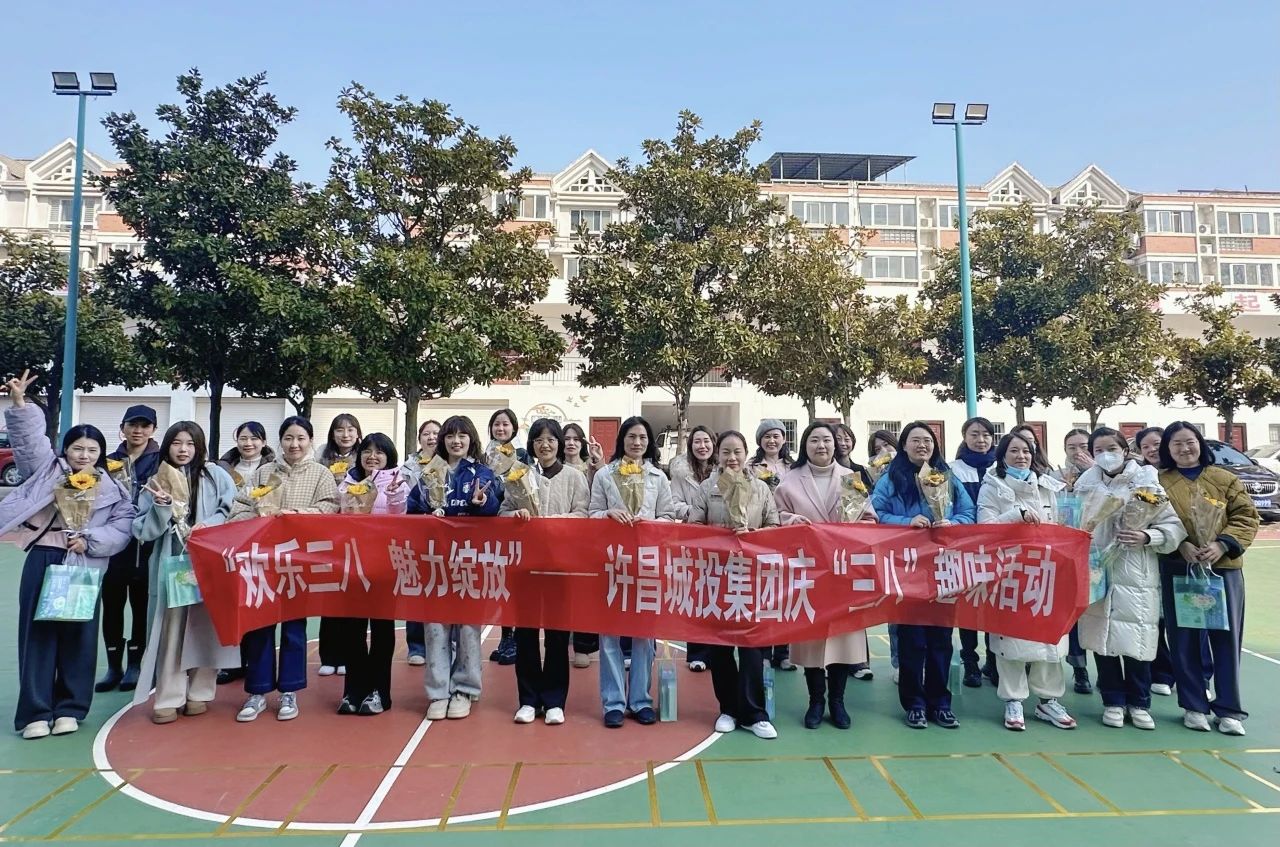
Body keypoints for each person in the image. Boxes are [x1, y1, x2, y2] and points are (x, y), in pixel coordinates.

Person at [1, 371, 135, 739]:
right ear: (66, 449)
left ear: (100, 454)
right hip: (44, 557)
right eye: (77, 448)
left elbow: (122, 527)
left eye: (92, 450)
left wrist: (90, 541)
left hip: (83, 564)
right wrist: (19, 404)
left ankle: (71, 708)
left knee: (79, 635)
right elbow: (29, 444)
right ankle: (35, 712)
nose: (84, 456)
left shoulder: (112, 486)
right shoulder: (47, 470)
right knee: (38, 634)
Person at [230, 416, 339, 722]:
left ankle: (289, 691)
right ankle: (257, 691)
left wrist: (292, 515)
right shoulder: (264, 472)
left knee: (294, 629)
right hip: (263, 562)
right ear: (280, 441)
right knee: (259, 626)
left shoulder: (321, 474)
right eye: (289, 438)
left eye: (301, 438)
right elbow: (239, 507)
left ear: (310, 440)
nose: (294, 444)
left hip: (299, 562)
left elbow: (330, 508)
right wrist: (258, 518)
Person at [1075, 427, 1185, 730]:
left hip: (1136, 572)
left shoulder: (1147, 484)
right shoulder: (1084, 487)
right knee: (1101, 637)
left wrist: (1147, 536)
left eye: (1112, 448)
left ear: (1125, 450)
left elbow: (1174, 527)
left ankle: (1139, 702)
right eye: (1099, 450)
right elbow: (1070, 522)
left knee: (1137, 639)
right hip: (1096, 571)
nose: (1106, 455)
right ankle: (1112, 700)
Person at [131, 422, 239, 724]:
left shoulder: (216, 475)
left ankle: (200, 692)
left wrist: (210, 525)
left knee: (207, 627)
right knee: (172, 631)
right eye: (177, 443)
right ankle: (168, 696)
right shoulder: (157, 479)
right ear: (167, 445)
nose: (183, 449)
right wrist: (161, 508)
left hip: (210, 561)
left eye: (190, 443)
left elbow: (233, 509)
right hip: (173, 563)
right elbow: (142, 529)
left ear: (200, 447)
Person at [870, 421, 976, 729]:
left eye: (927, 440)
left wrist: (952, 523)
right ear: (903, 446)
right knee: (912, 640)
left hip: (944, 568)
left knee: (942, 640)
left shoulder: (947, 476)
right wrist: (906, 521)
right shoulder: (891, 478)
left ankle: (941, 703)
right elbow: (874, 514)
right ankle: (914, 703)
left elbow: (969, 513)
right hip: (908, 568)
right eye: (915, 440)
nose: (922, 445)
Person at [775, 422, 877, 730]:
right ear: (804, 445)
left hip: (843, 570)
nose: (821, 445)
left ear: (836, 445)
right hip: (808, 570)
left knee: (843, 639)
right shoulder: (790, 480)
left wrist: (851, 528)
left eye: (827, 440)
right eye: (815, 440)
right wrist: (791, 520)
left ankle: (838, 701)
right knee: (813, 641)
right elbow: (774, 517)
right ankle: (816, 701)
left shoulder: (851, 479)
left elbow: (871, 520)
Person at [1157, 422, 1256, 736]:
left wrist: (1222, 544)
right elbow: (1155, 519)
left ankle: (1229, 709)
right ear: (1167, 449)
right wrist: (1180, 545)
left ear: (1200, 443)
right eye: (1176, 444)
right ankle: (1194, 706)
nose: (1185, 449)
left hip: (1223, 570)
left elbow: (1246, 516)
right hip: (1181, 569)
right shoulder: (1159, 481)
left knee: (1226, 640)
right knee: (1184, 640)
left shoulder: (1224, 478)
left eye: (1190, 441)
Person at [976, 432, 1076, 731]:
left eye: (1027, 451)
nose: (1021, 456)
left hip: (1046, 570)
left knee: (1049, 637)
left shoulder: (1048, 486)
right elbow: (984, 528)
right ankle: (1013, 700)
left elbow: (1061, 522)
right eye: (1014, 451)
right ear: (1002, 456)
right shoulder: (992, 486)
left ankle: (1048, 700)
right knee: (1010, 640)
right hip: (1008, 571)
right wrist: (1014, 515)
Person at [408, 415, 502, 720]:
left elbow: (494, 510)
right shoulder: (429, 473)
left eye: (462, 435)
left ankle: (465, 688)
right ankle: (438, 691)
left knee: (467, 628)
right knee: (435, 627)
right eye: (450, 436)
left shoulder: (481, 472)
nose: (456, 441)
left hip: (470, 562)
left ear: (471, 439)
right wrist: (427, 516)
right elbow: (412, 512)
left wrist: (481, 502)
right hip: (435, 563)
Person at [688, 430, 780, 739]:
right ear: (718, 455)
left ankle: (754, 713)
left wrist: (755, 535)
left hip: (751, 576)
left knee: (753, 646)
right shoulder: (706, 488)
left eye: (737, 451)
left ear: (746, 453)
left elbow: (774, 526)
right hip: (716, 575)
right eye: (726, 451)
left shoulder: (761, 488)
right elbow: (693, 527)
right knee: (721, 646)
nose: (732, 457)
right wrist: (719, 535)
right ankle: (727, 708)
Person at [589, 415, 679, 728]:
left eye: (642, 437)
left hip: (646, 562)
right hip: (612, 561)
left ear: (649, 442)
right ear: (622, 440)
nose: (637, 442)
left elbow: (668, 517)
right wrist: (608, 514)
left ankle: (640, 699)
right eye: (631, 436)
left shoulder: (658, 476)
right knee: (609, 634)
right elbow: (591, 514)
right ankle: (613, 702)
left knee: (644, 634)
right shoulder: (605, 475)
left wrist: (649, 524)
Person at [503, 419, 589, 726]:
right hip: (526, 566)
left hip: (559, 567)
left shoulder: (575, 477)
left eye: (551, 439)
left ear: (559, 444)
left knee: (556, 635)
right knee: (526, 633)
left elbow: (583, 514)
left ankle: (554, 700)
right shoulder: (520, 476)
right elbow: (503, 511)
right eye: (539, 440)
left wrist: (554, 522)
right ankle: (528, 699)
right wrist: (515, 514)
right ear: (532, 445)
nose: (545, 445)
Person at [337, 433, 408, 717]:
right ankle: (353, 690)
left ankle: (380, 692)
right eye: (367, 451)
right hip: (352, 565)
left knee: (381, 630)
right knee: (352, 630)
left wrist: (393, 495)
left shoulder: (398, 481)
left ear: (389, 456)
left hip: (384, 567)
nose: (372, 456)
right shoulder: (348, 481)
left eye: (379, 452)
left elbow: (401, 516)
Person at [96, 404, 162, 694]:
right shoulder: (107, 461)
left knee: (141, 606)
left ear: (153, 430)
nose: (138, 431)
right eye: (133, 425)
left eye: (145, 426)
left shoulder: (162, 462)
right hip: (112, 547)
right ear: (122, 427)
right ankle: (114, 665)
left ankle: (135, 663)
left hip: (146, 547)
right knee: (111, 606)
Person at [213, 421, 274, 687]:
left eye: (254, 438)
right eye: (243, 438)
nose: (248, 443)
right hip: (229, 542)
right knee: (231, 602)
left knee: (257, 601)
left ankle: (254, 662)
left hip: (262, 545)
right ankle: (232, 662)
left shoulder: (273, 469)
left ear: (264, 442)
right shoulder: (221, 469)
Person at [951, 416, 999, 689]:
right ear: (965, 437)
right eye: (974, 434)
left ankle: (993, 661)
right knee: (968, 606)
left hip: (997, 549)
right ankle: (970, 662)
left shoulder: (1000, 467)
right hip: (965, 549)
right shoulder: (953, 469)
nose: (981, 440)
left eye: (986, 434)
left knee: (995, 606)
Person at [315, 413, 363, 678]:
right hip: (327, 536)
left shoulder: (365, 457)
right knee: (329, 594)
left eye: (351, 429)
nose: (345, 435)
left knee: (352, 596)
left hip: (356, 537)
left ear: (358, 433)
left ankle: (347, 655)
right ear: (332, 434)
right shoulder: (321, 458)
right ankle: (329, 655)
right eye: (340, 430)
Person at [668, 425, 716, 671]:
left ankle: (717, 651)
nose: (702, 446)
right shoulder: (680, 473)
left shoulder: (723, 470)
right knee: (697, 596)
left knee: (718, 594)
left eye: (706, 441)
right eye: (697, 442)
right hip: (693, 540)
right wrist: (696, 512)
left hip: (720, 540)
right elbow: (673, 504)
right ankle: (697, 653)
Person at [750, 419, 794, 671]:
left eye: (776, 436)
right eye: (766, 436)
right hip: (763, 533)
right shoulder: (751, 467)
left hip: (788, 535)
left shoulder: (794, 466)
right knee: (765, 593)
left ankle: (784, 652)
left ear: (783, 439)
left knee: (786, 594)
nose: (772, 440)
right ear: (760, 441)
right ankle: (764, 650)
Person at [1055, 427, 1095, 695]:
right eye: (1072, 447)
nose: (1078, 452)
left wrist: (1092, 473)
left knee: (1095, 613)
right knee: (1072, 614)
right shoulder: (1055, 477)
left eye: (1083, 446)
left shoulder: (1104, 475)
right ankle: (1080, 669)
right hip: (1066, 554)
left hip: (1097, 552)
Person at [485, 408, 527, 667]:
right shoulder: (485, 455)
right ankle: (505, 637)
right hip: (492, 524)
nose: (501, 429)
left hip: (516, 524)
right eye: (496, 424)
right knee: (500, 582)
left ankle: (517, 639)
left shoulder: (523, 455)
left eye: (505, 424)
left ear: (514, 428)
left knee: (516, 583)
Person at [562, 422, 604, 668]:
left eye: (576, 439)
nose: (571, 443)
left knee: (585, 592)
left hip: (587, 539)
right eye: (567, 438)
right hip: (561, 538)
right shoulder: (551, 468)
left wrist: (598, 464)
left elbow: (606, 491)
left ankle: (583, 646)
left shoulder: (592, 467)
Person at [400, 420, 440, 667]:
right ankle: (416, 646)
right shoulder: (408, 467)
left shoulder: (450, 464)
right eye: (427, 433)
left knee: (442, 590)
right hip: (416, 535)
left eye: (436, 433)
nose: (432, 437)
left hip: (445, 537)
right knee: (417, 589)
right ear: (419, 438)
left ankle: (442, 645)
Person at [867, 429, 900, 682]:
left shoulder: (917, 473)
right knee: (896, 607)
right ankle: (898, 662)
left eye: (887, 446)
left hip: (920, 549)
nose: (883, 453)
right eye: (877, 450)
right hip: (889, 550)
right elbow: (876, 511)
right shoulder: (871, 476)